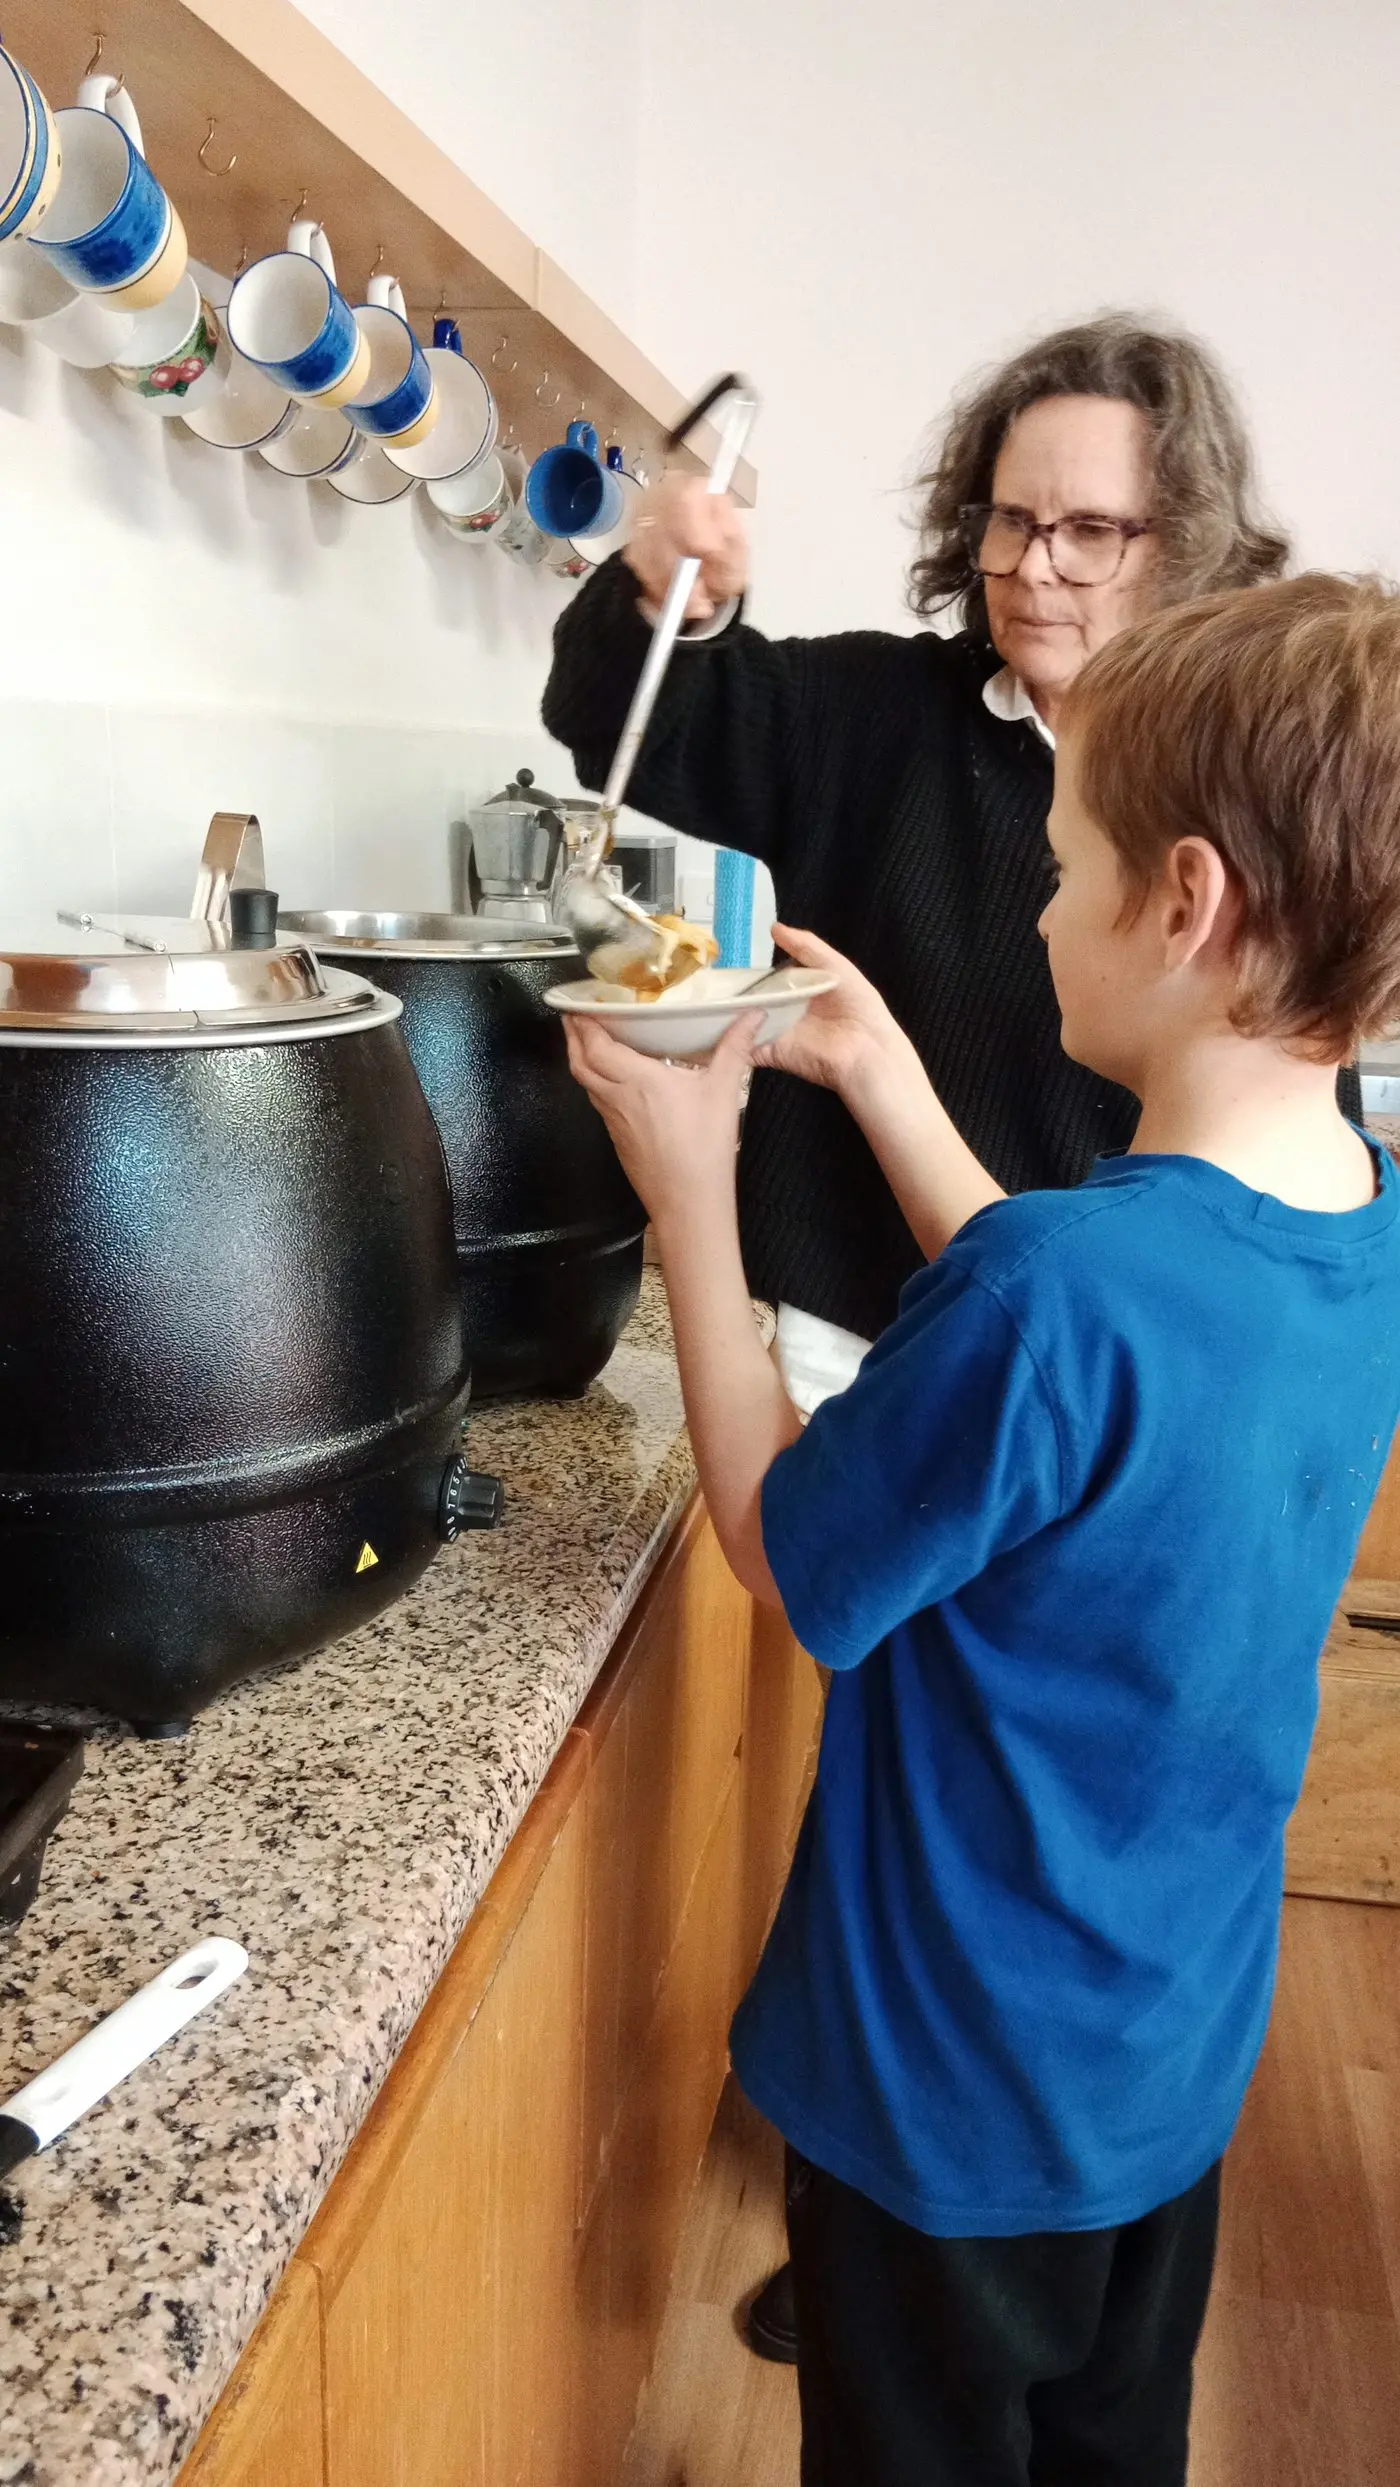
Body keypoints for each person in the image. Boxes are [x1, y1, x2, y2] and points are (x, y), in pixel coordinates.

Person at [544, 308, 1361, 2354]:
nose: (1035, 566)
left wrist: (691, 1185)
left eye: (1064, 872)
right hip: (1155, 2067)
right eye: (1011, 523)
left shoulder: (1047, 1292)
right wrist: (887, 1074)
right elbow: (1076, 1320)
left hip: (939, 2100)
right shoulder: (1348, 1226)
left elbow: (797, 1550)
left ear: (1180, 899)